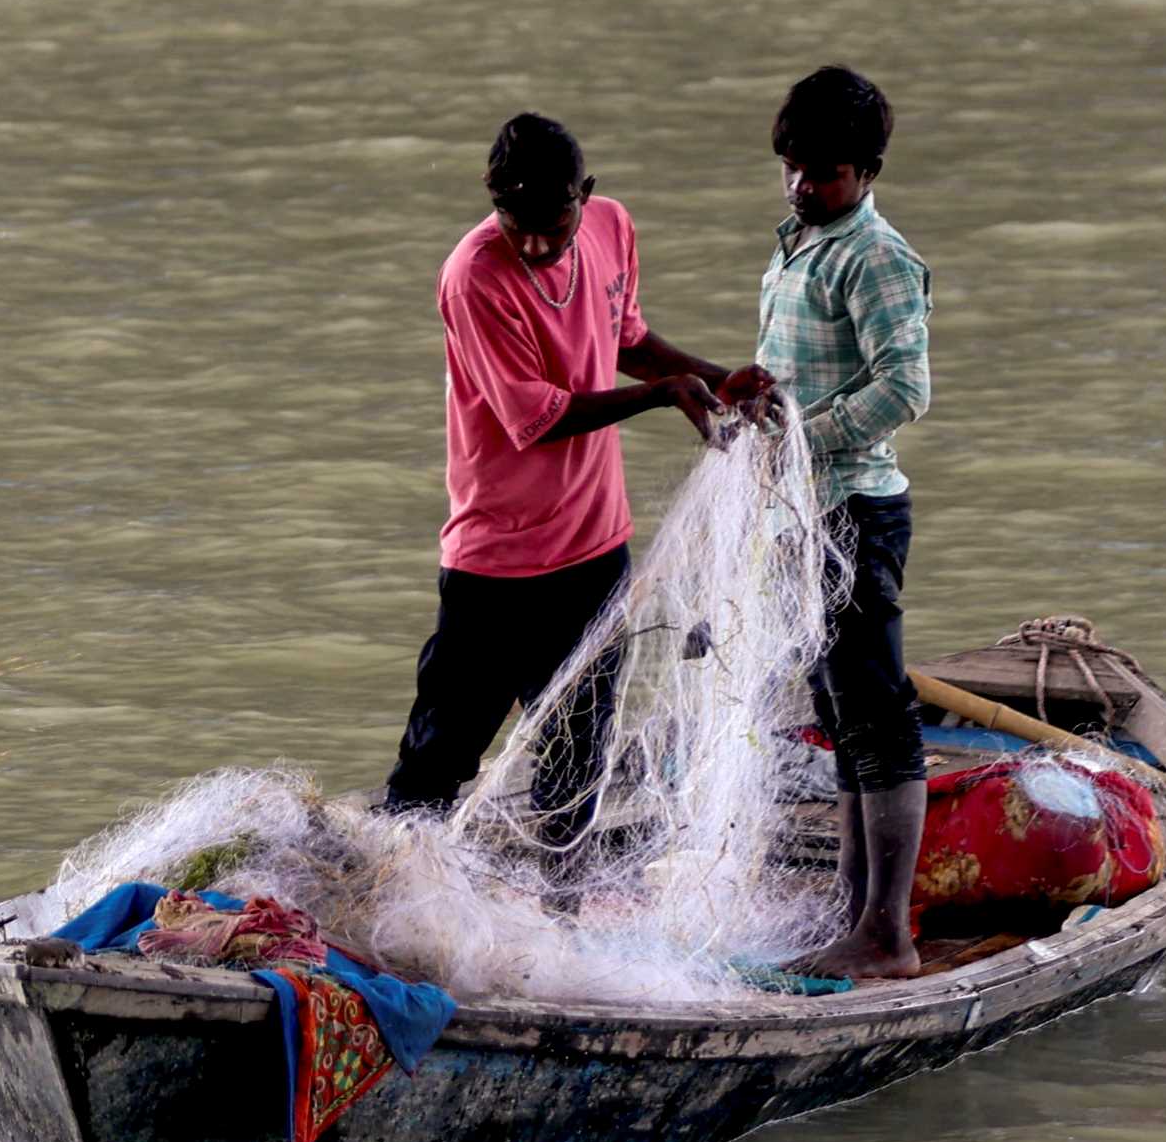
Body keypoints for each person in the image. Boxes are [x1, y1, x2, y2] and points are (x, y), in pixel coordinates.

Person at [382, 110, 763, 819]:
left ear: (583, 194)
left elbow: (630, 341)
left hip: (593, 553)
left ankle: (563, 908)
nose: (532, 242)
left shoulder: (612, 228)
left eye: (552, 224)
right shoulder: (474, 276)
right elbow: (539, 419)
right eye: (512, 221)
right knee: (438, 759)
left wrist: (713, 377)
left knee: (579, 759)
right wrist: (658, 397)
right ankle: (399, 889)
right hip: (496, 564)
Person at [753, 64, 935, 980]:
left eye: (823, 173)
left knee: (877, 713)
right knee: (838, 712)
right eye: (792, 166)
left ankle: (888, 932)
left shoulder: (876, 256)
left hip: (855, 510)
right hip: (800, 511)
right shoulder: (795, 246)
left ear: (866, 173)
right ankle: (855, 910)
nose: (802, 185)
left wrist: (800, 439)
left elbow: (906, 388)